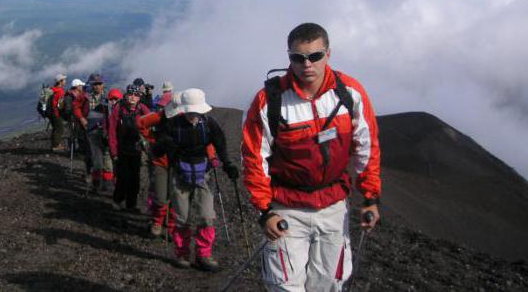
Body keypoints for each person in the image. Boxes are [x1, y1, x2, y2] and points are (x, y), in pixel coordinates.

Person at [241, 23, 381, 291]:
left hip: (333, 206)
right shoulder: (269, 101)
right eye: (298, 57)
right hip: (286, 206)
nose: (307, 64)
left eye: (315, 56)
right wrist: (264, 211)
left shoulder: (349, 93)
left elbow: (367, 146)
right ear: (289, 57)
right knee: (285, 286)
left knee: (329, 284)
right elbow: (254, 159)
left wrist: (370, 197)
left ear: (328, 53)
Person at [152, 88, 239, 272]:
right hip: (180, 175)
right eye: (191, 111)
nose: (194, 115)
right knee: (182, 218)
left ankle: (203, 254)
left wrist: (228, 164)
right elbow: (157, 151)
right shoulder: (172, 124)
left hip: (201, 176)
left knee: (207, 217)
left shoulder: (208, 124)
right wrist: (162, 143)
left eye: (196, 111)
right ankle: (182, 253)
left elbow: (220, 145)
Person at [137, 90, 220, 240]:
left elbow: (203, 141)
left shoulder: (187, 120)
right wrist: (152, 141)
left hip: (179, 164)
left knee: (176, 197)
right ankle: (158, 222)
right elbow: (140, 123)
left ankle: (169, 225)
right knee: (162, 196)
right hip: (162, 161)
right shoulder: (162, 116)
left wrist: (211, 156)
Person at [108, 85, 151, 212]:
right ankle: (117, 200)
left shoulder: (142, 109)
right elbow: (112, 131)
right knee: (123, 177)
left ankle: (131, 204)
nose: (133, 97)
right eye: (130, 94)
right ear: (126, 95)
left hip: (137, 150)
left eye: (136, 95)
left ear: (139, 97)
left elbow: (151, 124)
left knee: (135, 178)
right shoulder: (118, 109)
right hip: (122, 149)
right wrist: (113, 151)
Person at [78, 73, 113, 193]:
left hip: (106, 131)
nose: (97, 86)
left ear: (103, 84)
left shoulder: (109, 97)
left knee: (107, 156)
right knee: (96, 157)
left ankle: (107, 182)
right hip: (92, 131)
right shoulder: (86, 97)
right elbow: (76, 107)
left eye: (99, 84)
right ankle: (97, 183)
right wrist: (82, 118)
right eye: (95, 84)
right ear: (92, 85)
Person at [50, 74, 67, 152]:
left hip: (51, 113)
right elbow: (60, 105)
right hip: (56, 113)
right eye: (64, 80)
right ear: (60, 81)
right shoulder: (60, 91)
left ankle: (55, 144)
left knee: (55, 128)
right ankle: (55, 146)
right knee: (60, 129)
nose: (65, 81)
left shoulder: (52, 89)